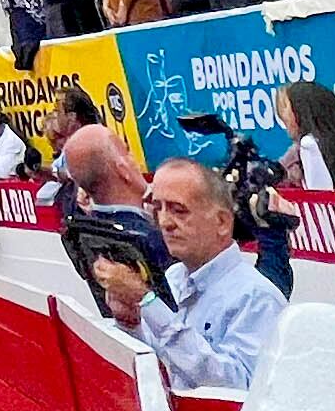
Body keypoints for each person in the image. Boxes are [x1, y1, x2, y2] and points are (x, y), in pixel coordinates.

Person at [87, 155, 284, 389]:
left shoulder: (257, 298)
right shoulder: (173, 278)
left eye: (179, 210)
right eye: (158, 208)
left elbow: (237, 390)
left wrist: (147, 301)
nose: (165, 222)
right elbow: (157, 372)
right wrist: (129, 323)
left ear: (222, 222)